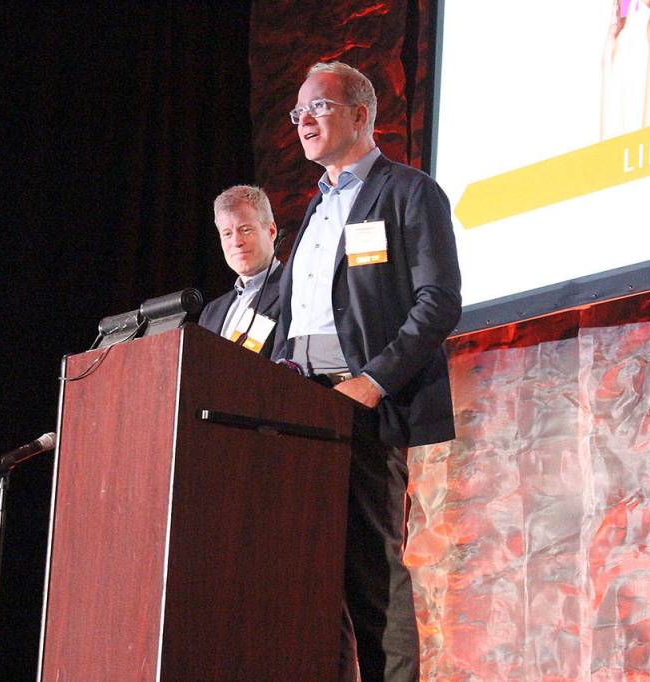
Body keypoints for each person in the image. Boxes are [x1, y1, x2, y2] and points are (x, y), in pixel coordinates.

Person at [271, 61, 461, 682]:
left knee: (372, 581)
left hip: (361, 408)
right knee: (299, 578)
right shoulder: (314, 211)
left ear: (360, 113)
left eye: (318, 107)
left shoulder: (408, 192)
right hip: (293, 409)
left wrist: (372, 382)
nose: (303, 121)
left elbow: (438, 303)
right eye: (298, 111)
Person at [198, 185, 282, 356]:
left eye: (245, 230)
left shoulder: (295, 291)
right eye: (227, 234)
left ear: (271, 231)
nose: (236, 242)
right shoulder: (211, 312)